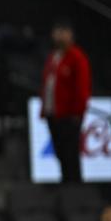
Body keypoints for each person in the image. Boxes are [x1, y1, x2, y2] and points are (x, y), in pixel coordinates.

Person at [40, 19, 91, 183]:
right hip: (53, 112)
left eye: (63, 32)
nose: (59, 36)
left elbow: (82, 88)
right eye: (57, 32)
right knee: (60, 152)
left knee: (71, 153)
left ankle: (75, 188)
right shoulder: (53, 57)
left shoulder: (77, 57)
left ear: (71, 35)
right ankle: (66, 184)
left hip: (69, 114)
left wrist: (78, 112)